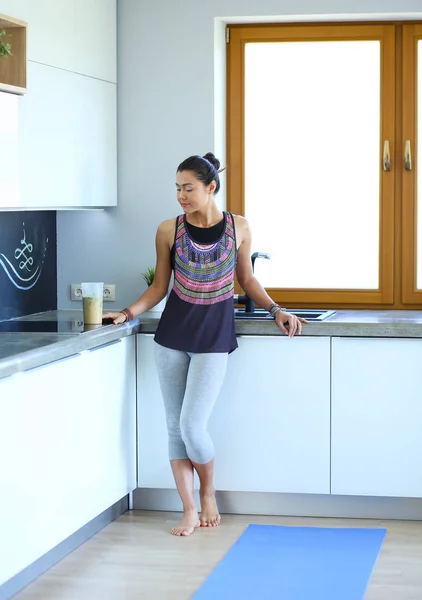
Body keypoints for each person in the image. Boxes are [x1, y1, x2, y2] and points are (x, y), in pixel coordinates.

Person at [103, 153, 306, 537]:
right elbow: (160, 286)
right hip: (171, 337)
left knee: (192, 425)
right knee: (173, 429)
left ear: (211, 187)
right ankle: (189, 509)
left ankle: (208, 490)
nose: (181, 195)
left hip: (213, 338)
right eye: (177, 188)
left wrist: (277, 309)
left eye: (188, 188)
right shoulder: (169, 230)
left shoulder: (239, 227)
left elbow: (246, 280)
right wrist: (127, 313)